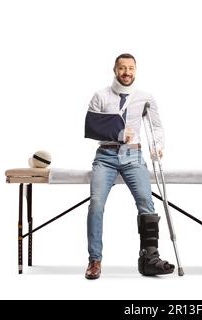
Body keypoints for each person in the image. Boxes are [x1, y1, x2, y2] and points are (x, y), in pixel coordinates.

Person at [83, 53, 175, 279]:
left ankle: (150, 257)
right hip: (106, 155)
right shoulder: (100, 96)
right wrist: (119, 133)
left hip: (133, 155)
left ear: (136, 70)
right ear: (115, 70)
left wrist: (157, 146)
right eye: (122, 68)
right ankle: (95, 260)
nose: (126, 72)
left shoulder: (145, 97)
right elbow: (91, 127)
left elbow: (157, 126)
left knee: (146, 202)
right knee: (96, 204)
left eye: (130, 68)